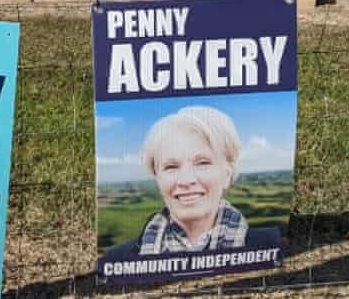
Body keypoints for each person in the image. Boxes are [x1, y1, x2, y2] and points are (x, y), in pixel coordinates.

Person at [104, 106, 280, 259]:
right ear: (157, 178)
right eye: (171, 166)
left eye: (202, 163)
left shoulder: (270, 245)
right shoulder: (118, 258)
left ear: (227, 175)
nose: (186, 180)